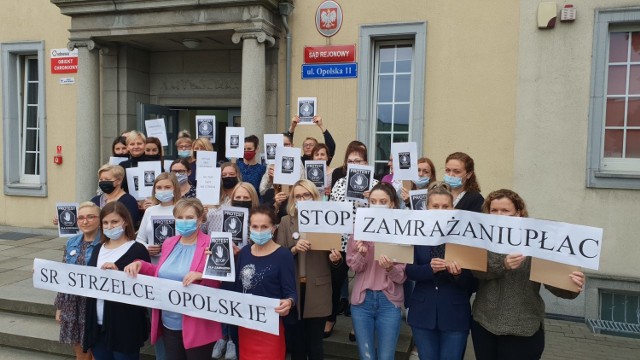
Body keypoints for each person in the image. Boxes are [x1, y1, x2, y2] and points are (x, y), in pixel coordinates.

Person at [471, 189, 585, 360]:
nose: (499, 215)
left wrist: (571, 285)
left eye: (505, 211)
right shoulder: (481, 237)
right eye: (494, 210)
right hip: (485, 323)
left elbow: (554, 283)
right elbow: (477, 271)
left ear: (518, 213)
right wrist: (503, 265)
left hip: (523, 327)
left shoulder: (537, 240)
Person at [124, 198, 222, 360]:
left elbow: (218, 283)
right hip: (169, 322)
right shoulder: (169, 242)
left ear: (199, 220)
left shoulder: (211, 244)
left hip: (197, 325)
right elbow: (162, 273)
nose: (184, 221)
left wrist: (202, 275)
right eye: (180, 217)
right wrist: (140, 264)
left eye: (189, 217)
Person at [405, 182, 477, 360]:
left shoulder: (466, 236)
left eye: (446, 206)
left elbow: (474, 283)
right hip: (422, 313)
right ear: (426, 208)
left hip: (455, 314)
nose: (441, 210)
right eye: (435, 206)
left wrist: (457, 274)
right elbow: (409, 271)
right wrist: (429, 269)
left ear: (453, 208)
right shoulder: (416, 233)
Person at [275, 180, 343, 360]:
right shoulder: (285, 221)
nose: (302, 199)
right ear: (292, 199)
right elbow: (278, 257)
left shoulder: (328, 219)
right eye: (298, 196)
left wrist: (335, 259)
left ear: (314, 196)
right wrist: (294, 249)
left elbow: (336, 260)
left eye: (306, 195)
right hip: (293, 289)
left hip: (318, 288)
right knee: (296, 345)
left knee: (315, 346)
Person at [346, 182, 406, 360]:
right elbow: (354, 267)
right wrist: (361, 254)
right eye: (373, 201)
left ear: (392, 204)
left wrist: (389, 268)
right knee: (366, 357)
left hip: (389, 301)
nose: (377, 205)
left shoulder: (402, 231)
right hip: (362, 301)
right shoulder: (358, 228)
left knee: (386, 357)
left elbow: (401, 277)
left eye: (383, 201)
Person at [83, 202, 150, 359]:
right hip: (97, 322)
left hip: (125, 325)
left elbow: (146, 288)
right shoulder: (98, 248)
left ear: (125, 222)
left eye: (114, 222)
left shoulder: (138, 249)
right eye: (105, 223)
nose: (109, 226)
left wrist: (119, 274)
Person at [326, 143, 378, 340]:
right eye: (350, 161)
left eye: (359, 161)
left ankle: (358, 325)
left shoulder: (375, 185)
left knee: (361, 284)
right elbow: (331, 212)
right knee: (335, 280)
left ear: (366, 163)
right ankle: (330, 318)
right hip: (341, 241)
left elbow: (384, 212)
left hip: (365, 244)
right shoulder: (339, 183)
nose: (354, 164)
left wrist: (371, 200)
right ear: (346, 164)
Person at [234, 205, 297, 360]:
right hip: (245, 325)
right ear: (249, 227)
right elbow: (234, 287)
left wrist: (289, 302)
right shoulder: (244, 253)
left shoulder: (283, 255)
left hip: (270, 327)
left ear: (273, 229)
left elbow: (290, 291)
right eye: (255, 226)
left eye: (264, 226)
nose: (259, 230)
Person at [210, 181, 259, 360]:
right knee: (224, 299)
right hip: (225, 265)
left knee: (240, 302)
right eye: (237, 197)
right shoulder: (219, 215)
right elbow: (211, 237)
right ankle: (224, 336)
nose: (241, 200)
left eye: (246, 197)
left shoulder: (258, 217)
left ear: (253, 199)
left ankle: (234, 339)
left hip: (248, 265)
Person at [55, 202, 102, 360]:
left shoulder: (106, 243)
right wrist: (60, 307)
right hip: (73, 304)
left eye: (90, 217)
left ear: (100, 219)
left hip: (94, 305)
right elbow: (63, 275)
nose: (85, 221)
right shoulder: (71, 242)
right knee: (80, 354)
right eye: (81, 218)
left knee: (98, 353)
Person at [136, 173, 181, 262]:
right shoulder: (150, 211)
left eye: (167, 187)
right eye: (159, 188)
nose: (163, 190)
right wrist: (147, 247)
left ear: (175, 189)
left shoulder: (182, 210)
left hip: (176, 260)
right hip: (153, 261)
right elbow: (139, 239)